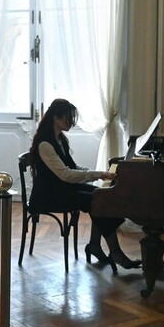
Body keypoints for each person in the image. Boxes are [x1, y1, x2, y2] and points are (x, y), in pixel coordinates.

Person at [28, 98, 141, 270]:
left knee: (100, 196)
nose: (71, 122)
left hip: (60, 188)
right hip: (47, 195)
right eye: (68, 118)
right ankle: (114, 252)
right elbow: (66, 175)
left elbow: (72, 168)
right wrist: (98, 174)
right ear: (55, 118)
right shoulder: (45, 144)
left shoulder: (59, 139)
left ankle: (96, 245)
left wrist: (98, 173)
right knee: (96, 200)